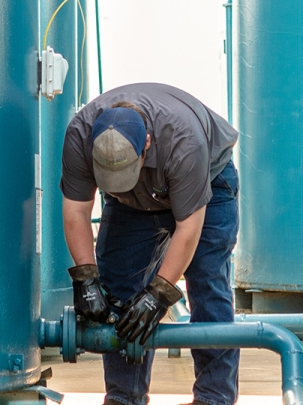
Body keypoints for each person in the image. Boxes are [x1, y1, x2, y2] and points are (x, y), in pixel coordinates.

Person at [60, 83, 240, 405]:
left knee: (207, 281)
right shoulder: (79, 135)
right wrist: (86, 278)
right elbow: (76, 211)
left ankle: (214, 398)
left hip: (207, 182)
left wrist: (159, 294)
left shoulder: (184, 142)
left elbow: (189, 228)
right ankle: (123, 397)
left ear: (146, 142)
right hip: (130, 201)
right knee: (118, 286)